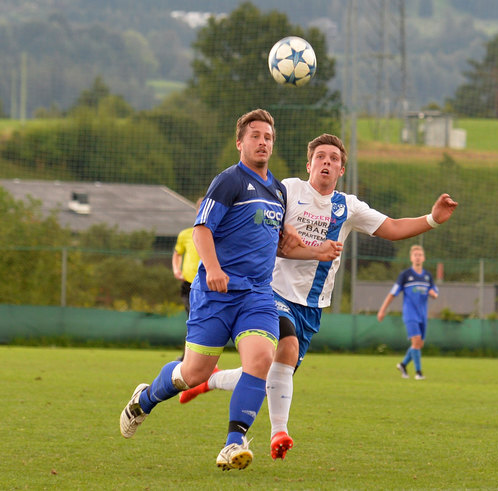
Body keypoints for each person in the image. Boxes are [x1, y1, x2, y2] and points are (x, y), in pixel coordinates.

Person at [179, 133, 458, 460]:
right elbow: (266, 230)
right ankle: (277, 433)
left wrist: (432, 220)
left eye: (334, 159)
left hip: (311, 306)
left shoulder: (348, 206)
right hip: (271, 292)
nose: (327, 162)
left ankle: (208, 381)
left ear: (341, 170)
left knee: (271, 370)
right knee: (286, 347)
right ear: (308, 163)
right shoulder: (286, 190)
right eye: (321, 156)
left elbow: (393, 228)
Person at [119, 109, 342, 472]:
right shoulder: (229, 181)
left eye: (268, 137)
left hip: (257, 295)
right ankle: (145, 398)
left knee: (260, 360)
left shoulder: (278, 190)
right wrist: (215, 270)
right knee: (194, 375)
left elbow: (280, 245)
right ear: (240, 143)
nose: (262, 142)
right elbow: (201, 229)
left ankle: (234, 441)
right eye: (255, 136)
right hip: (216, 294)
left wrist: (317, 251)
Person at [376, 244, 438, 380]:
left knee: (419, 344)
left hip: (423, 314)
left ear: (424, 258)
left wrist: (434, 294)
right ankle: (418, 373)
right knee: (416, 341)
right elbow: (392, 293)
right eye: (415, 255)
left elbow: (434, 290)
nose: (417, 257)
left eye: (420, 255)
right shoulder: (405, 275)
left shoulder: (427, 276)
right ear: (411, 258)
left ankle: (403, 364)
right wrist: (382, 310)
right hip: (410, 314)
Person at [172, 197, 203, 361]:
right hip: (189, 285)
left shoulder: (217, 233)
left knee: (202, 320)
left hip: (209, 285)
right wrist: (176, 269)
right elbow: (177, 253)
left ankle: (197, 358)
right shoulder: (185, 234)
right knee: (193, 318)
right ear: (198, 211)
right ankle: (188, 358)